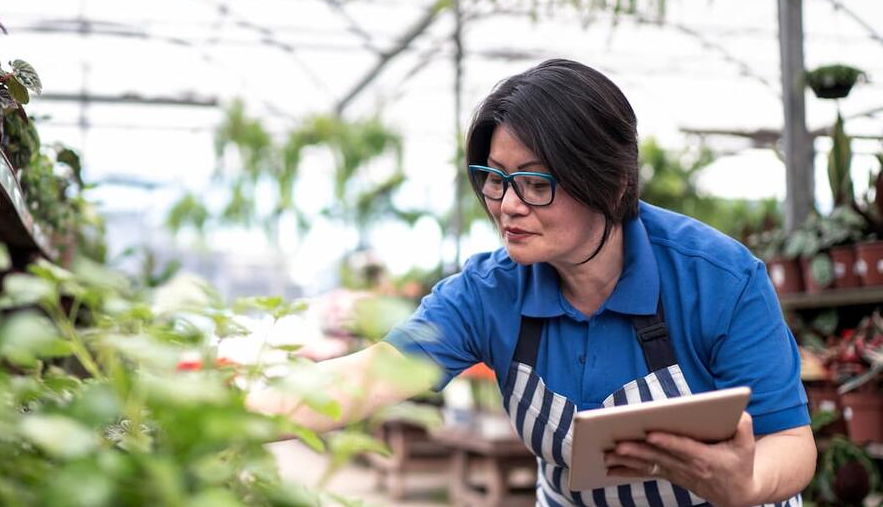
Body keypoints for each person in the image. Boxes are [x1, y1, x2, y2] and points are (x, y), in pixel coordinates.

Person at [246, 58, 815, 507]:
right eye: (495, 179)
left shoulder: (717, 279)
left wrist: (742, 486)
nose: (507, 206)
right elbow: (365, 377)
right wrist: (219, 415)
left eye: (535, 182)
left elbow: (791, 443)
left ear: (611, 182)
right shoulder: (491, 292)